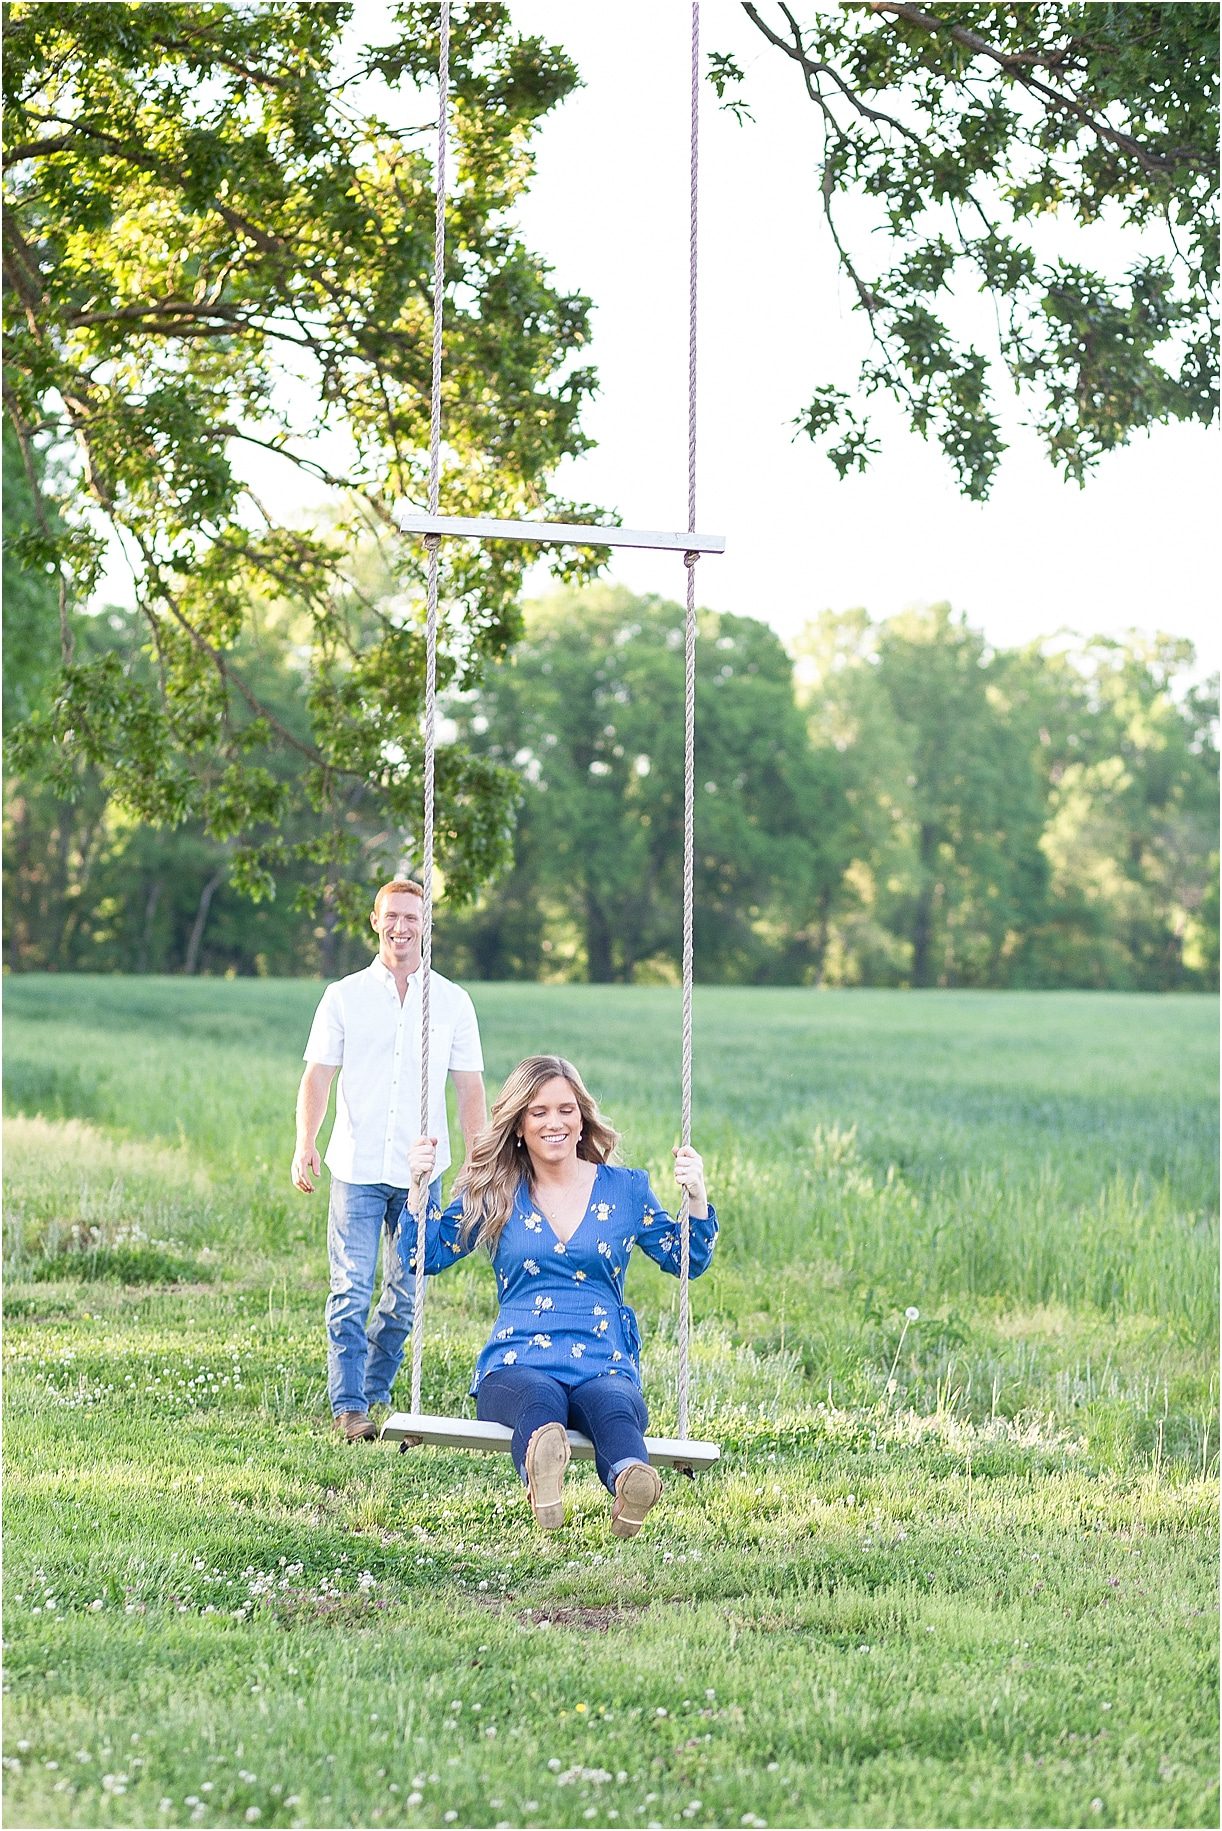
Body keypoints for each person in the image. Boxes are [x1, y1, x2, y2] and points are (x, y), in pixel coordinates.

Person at [407, 1054, 717, 1535]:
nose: (555, 1122)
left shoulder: (625, 1190)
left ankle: (631, 1482)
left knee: (615, 1405)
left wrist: (696, 1197)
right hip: (516, 1361)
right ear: (518, 1126)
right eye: (539, 1112)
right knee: (538, 1404)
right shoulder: (495, 1189)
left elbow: (687, 1260)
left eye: (566, 1109)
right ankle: (544, 1474)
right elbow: (423, 1255)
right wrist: (417, 1191)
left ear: (582, 1118)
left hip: (603, 1358)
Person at [292, 879, 487, 1443]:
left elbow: (470, 1090)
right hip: (355, 1169)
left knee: (404, 1297)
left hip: (422, 1174)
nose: (402, 927)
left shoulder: (451, 1001)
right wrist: (306, 1140)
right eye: (392, 917)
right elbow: (317, 1076)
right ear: (375, 922)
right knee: (351, 1289)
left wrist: (477, 1163)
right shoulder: (343, 996)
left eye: (412, 917)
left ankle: (375, 1389)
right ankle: (349, 1406)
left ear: (426, 924)